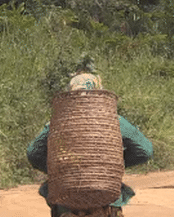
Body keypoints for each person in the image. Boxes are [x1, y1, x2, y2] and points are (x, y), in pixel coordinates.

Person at [27, 72, 153, 217]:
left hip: (66, 201)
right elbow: (145, 150)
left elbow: (33, 153)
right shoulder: (115, 120)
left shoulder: (57, 123)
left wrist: (61, 170)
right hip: (107, 198)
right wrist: (110, 167)